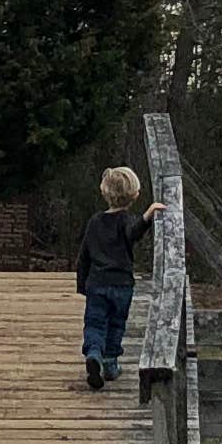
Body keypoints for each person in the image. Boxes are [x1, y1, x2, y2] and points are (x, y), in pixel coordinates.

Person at [74, 166, 157, 391]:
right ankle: (110, 363)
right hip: (121, 285)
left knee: (95, 322)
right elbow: (133, 233)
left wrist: (82, 284)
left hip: (97, 284)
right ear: (134, 195)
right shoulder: (127, 221)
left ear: (104, 193)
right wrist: (148, 216)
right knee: (116, 324)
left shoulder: (94, 222)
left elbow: (84, 256)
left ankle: (93, 353)